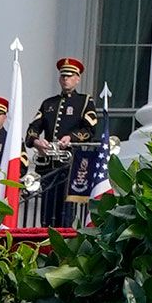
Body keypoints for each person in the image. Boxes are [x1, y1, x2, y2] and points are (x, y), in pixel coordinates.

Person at [25, 58, 104, 228]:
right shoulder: (49, 103)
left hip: (71, 165)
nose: (66, 79)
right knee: (47, 211)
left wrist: (71, 137)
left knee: (66, 213)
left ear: (77, 78)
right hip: (48, 165)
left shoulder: (84, 101)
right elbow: (32, 128)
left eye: (70, 76)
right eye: (63, 76)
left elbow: (90, 130)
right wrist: (37, 141)